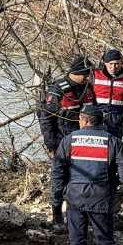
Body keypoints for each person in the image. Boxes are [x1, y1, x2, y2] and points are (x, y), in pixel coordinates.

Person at [49, 105, 123, 245]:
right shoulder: (111, 141)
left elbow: (57, 173)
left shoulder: (69, 140)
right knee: (105, 240)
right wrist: (113, 183)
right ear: (100, 121)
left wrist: (56, 203)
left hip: (75, 198)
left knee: (77, 240)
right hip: (101, 198)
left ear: (84, 120)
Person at [40, 56, 95, 225]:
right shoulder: (57, 90)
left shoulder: (87, 88)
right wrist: (51, 144)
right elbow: (46, 118)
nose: (87, 77)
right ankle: (57, 216)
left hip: (85, 141)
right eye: (85, 74)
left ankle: (80, 213)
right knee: (59, 178)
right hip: (62, 141)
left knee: (83, 178)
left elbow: (95, 114)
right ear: (75, 72)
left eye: (88, 74)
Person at [91, 49, 123, 139]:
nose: (113, 67)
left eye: (117, 64)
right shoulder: (94, 75)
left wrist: (122, 117)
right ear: (105, 63)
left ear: (122, 63)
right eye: (110, 64)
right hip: (95, 120)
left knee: (114, 149)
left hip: (115, 122)